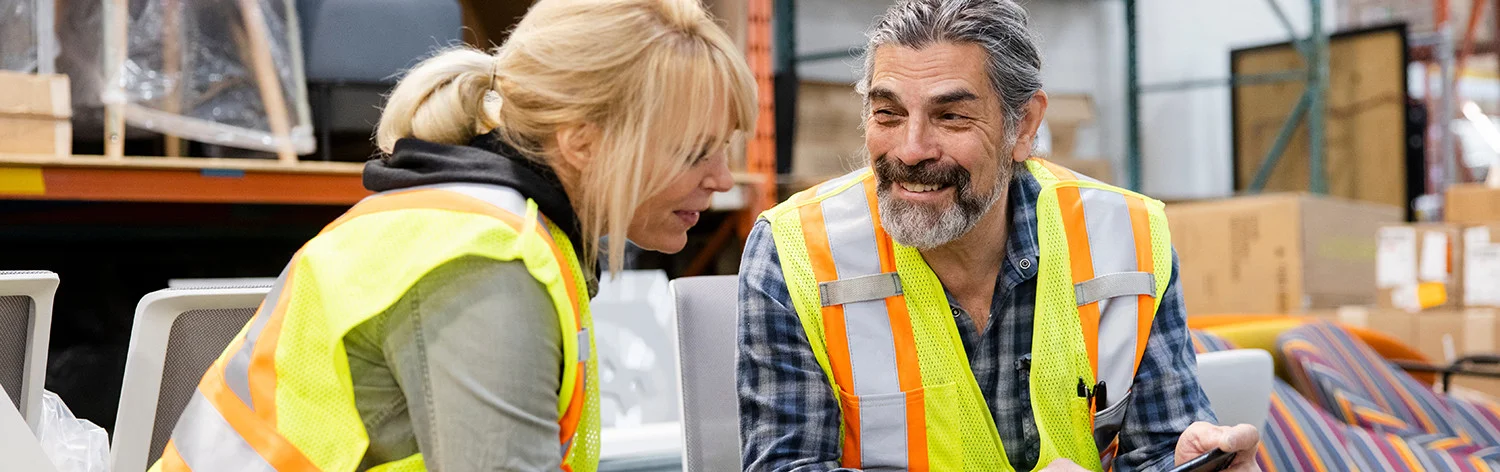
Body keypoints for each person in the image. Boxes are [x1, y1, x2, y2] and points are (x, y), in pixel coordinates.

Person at [148, 1, 755, 471]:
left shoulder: (482, 232)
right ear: (583, 142)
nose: (722, 179)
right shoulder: (485, 267)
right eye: (694, 152)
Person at [735, 1, 1260, 471]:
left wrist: (1185, 462)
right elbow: (788, 465)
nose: (911, 148)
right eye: (888, 113)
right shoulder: (794, 254)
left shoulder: (1128, 238)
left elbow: (1158, 447)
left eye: (952, 116)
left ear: (1024, 127)